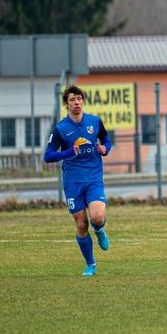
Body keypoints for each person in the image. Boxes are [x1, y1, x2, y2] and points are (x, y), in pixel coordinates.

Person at [43, 85, 113, 277]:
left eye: (79, 99)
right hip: (73, 181)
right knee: (82, 224)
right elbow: (48, 156)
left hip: (93, 177)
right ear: (66, 104)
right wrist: (68, 151)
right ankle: (90, 264)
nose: (77, 102)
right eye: (72, 99)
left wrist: (105, 149)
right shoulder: (61, 129)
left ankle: (99, 229)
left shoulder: (94, 122)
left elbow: (107, 140)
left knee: (97, 217)